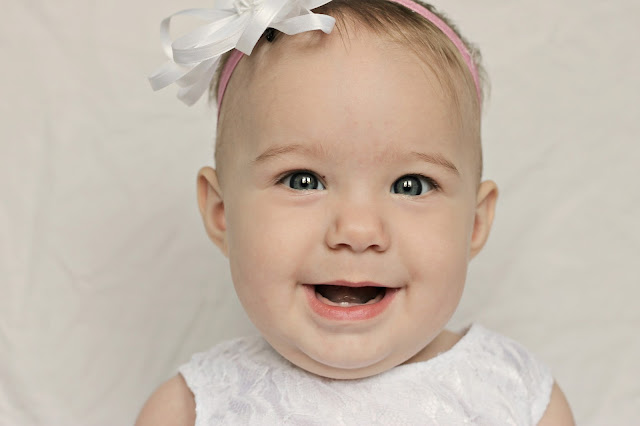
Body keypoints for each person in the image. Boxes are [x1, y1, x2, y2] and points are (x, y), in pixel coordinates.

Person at [137, 0, 574, 424]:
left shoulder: (518, 399)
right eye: (303, 180)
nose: (358, 230)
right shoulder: (192, 410)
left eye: (411, 185)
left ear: (474, 223)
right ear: (222, 213)